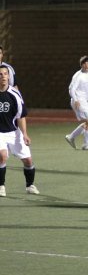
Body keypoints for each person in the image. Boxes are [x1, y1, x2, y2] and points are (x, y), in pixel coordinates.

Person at [0, 64, 39, 197]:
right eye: (0, 74)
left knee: (28, 161)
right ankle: (1, 186)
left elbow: (21, 116)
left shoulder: (15, 94)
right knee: (2, 156)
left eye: (5, 74)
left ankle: (30, 185)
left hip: (14, 132)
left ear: (9, 76)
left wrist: (25, 134)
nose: (3, 77)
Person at [65, 55, 88, 150]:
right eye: (85, 63)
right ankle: (86, 144)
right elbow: (71, 89)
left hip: (84, 101)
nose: (87, 65)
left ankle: (71, 137)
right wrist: (76, 99)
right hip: (79, 101)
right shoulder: (78, 76)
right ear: (81, 65)